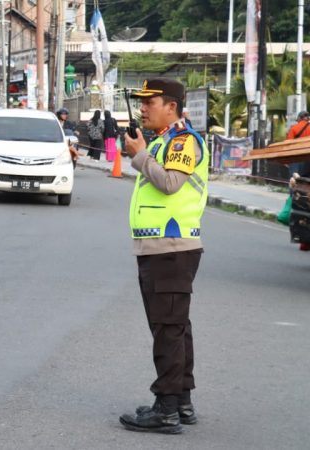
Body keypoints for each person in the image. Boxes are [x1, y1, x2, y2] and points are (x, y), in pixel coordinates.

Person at [118, 78, 209, 435]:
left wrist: (139, 156)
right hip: (161, 248)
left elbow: (170, 183)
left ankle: (166, 408)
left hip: (171, 249)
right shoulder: (166, 141)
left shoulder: (183, 141)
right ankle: (181, 402)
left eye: (149, 101)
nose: (142, 108)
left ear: (170, 106)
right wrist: (143, 152)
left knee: (168, 330)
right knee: (175, 327)